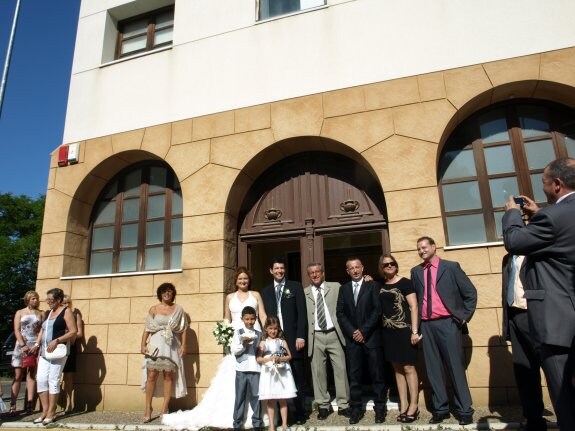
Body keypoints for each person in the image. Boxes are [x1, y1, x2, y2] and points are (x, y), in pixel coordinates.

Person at [502, 157, 575, 431]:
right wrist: (539, 214)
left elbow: (515, 241)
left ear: (557, 184)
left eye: (543, 182)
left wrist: (511, 213)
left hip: (559, 327)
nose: (541, 186)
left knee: (566, 402)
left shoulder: (553, 217)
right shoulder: (557, 215)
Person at [162, 267, 268, 430]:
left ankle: (256, 416)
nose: (243, 281)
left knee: (254, 373)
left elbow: (263, 315)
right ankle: (234, 416)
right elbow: (226, 317)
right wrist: (224, 333)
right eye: (240, 279)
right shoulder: (229, 297)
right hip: (236, 339)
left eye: (245, 278)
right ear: (235, 281)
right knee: (234, 376)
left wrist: (265, 335)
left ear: (249, 280)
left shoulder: (255, 295)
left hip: (255, 336)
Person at [410, 236, 477, 426]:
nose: (421, 251)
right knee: (433, 369)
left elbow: (470, 293)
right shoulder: (416, 272)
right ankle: (441, 409)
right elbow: (415, 300)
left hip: (448, 323)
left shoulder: (451, 267)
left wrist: (463, 317)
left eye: (424, 247)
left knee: (455, 367)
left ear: (433, 247)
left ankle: (464, 409)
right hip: (427, 325)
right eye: (418, 249)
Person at [336, 257, 386, 425]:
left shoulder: (373, 285)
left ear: (363, 268)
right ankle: (356, 409)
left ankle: (380, 409)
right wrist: (353, 332)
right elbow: (340, 314)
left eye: (357, 267)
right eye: (351, 268)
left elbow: (377, 310)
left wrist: (363, 331)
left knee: (377, 375)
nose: (355, 270)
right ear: (347, 271)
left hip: (371, 337)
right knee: (355, 377)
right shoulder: (343, 289)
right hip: (353, 341)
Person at [501, 253, 546, 431]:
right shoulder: (507, 259)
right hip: (515, 316)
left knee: (552, 368)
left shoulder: (537, 253)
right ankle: (534, 420)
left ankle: (566, 414)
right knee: (524, 371)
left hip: (537, 316)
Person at [261, 257, 307, 424]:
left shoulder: (295, 286)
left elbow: (302, 313)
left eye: (282, 268)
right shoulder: (265, 292)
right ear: (271, 271)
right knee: (276, 378)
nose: (280, 271)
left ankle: (300, 412)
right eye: (276, 268)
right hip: (274, 340)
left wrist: (301, 335)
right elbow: (264, 318)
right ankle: (280, 417)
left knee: (296, 376)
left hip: (294, 339)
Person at [303, 262, 350, 420]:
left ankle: (344, 404)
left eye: (317, 272)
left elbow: (351, 292)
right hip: (315, 336)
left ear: (323, 273)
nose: (315, 275)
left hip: (334, 334)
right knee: (318, 371)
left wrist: (367, 279)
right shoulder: (305, 293)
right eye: (311, 273)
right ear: (308, 276)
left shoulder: (335, 287)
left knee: (340, 369)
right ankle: (323, 405)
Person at [378, 255, 421, 423]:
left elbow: (414, 306)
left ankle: (414, 405)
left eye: (391, 263)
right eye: (385, 264)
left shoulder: (405, 283)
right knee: (397, 369)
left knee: (409, 368)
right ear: (381, 267)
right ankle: (403, 404)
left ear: (396, 265)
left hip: (405, 331)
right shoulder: (380, 285)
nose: (389, 266)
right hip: (388, 333)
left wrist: (415, 331)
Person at [140, 283, 188, 422]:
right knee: (151, 375)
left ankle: (164, 408)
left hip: (172, 346)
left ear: (173, 294)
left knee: (168, 376)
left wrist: (184, 345)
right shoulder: (153, 309)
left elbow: (184, 329)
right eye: (164, 291)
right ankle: (148, 408)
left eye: (170, 291)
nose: (167, 293)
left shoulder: (178, 309)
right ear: (160, 294)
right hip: (155, 345)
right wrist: (142, 344)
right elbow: (147, 328)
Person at [34, 288, 78, 425]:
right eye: (47, 300)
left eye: (51, 300)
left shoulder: (66, 311)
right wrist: (37, 344)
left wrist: (57, 340)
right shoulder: (48, 313)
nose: (49, 303)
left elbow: (73, 331)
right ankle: (45, 411)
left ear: (59, 300)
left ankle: (52, 413)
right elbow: (43, 329)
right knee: (41, 379)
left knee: (53, 380)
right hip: (45, 352)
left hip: (58, 351)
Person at [257, 316, 297, 431]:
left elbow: (289, 356)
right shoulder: (264, 343)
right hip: (269, 373)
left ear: (278, 329)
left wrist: (280, 359)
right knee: (271, 399)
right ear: (266, 329)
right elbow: (259, 359)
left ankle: (284, 424)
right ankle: (271, 425)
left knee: (283, 398)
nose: (273, 331)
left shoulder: (282, 342)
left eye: (275, 328)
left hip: (282, 372)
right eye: (270, 328)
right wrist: (269, 359)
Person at [10, 290, 43, 415]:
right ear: (28, 299)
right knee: (18, 375)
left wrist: (36, 344)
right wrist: (23, 345)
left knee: (31, 375)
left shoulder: (41, 313)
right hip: (21, 345)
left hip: (34, 345)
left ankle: (29, 403)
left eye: (37, 298)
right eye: (33, 298)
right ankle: (13, 404)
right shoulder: (20, 312)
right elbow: (17, 330)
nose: (36, 300)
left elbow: (42, 330)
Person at [230, 306, 263, 431]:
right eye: (247, 319)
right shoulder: (238, 332)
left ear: (256, 319)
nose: (250, 322)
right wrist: (243, 345)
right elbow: (235, 350)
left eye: (252, 319)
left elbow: (262, 350)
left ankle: (257, 423)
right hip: (241, 369)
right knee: (240, 396)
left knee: (256, 396)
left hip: (255, 369)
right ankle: (237, 424)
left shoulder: (259, 334)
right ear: (242, 319)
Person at [61, 294, 84, 413]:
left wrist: (69, 334)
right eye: (63, 303)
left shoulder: (75, 315)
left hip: (70, 346)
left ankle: (69, 403)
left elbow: (79, 333)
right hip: (57, 347)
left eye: (67, 303)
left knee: (68, 377)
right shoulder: (57, 315)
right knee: (55, 376)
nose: (65, 305)